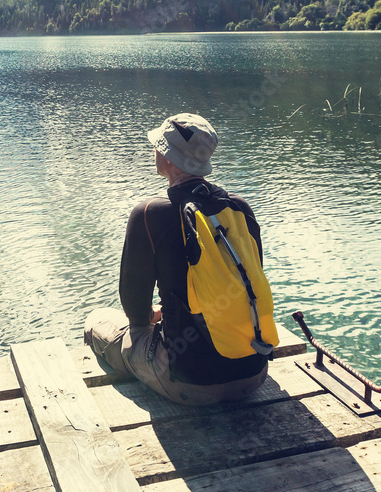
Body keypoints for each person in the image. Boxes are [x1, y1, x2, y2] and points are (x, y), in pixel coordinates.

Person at [83, 113, 271, 405]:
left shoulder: (149, 214)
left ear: (169, 159)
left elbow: (134, 308)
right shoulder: (239, 208)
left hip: (190, 386)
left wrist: (153, 315)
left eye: (158, 146)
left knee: (97, 321)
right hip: (254, 373)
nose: (154, 151)